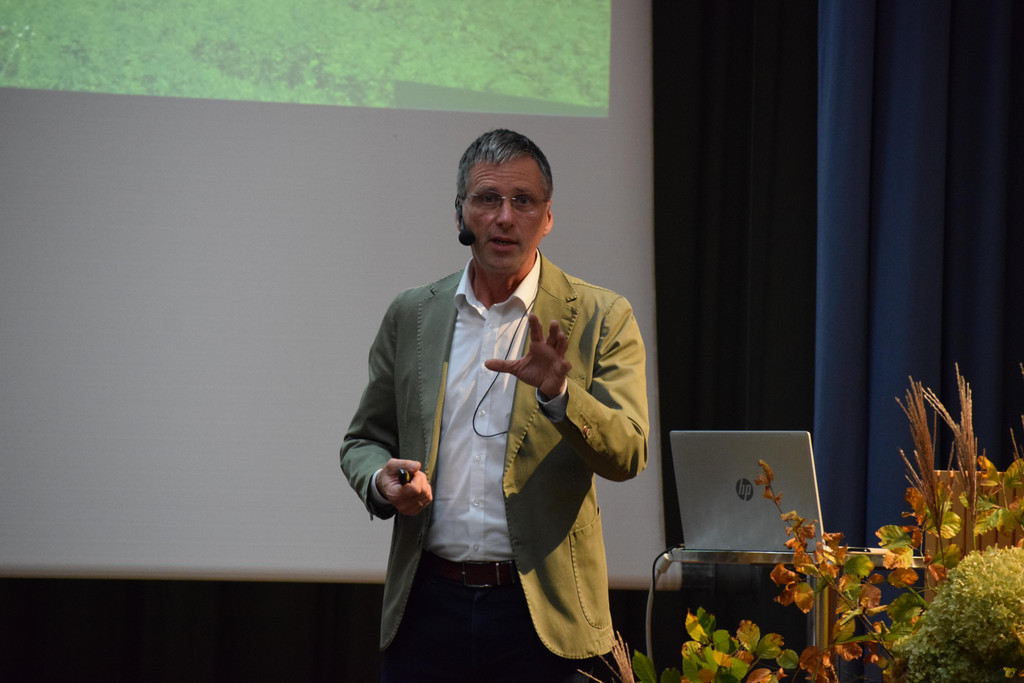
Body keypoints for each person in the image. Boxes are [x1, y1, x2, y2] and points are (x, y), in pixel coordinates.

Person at [340, 129, 649, 683]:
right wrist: (382, 482)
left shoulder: (602, 316)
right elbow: (364, 441)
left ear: (547, 217)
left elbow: (629, 452)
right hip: (427, 608)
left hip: (544, 616)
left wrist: (559, 395)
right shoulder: (412, 314)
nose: (505, 217)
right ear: (461, 212)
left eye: (523, 201)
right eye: (487, 199)